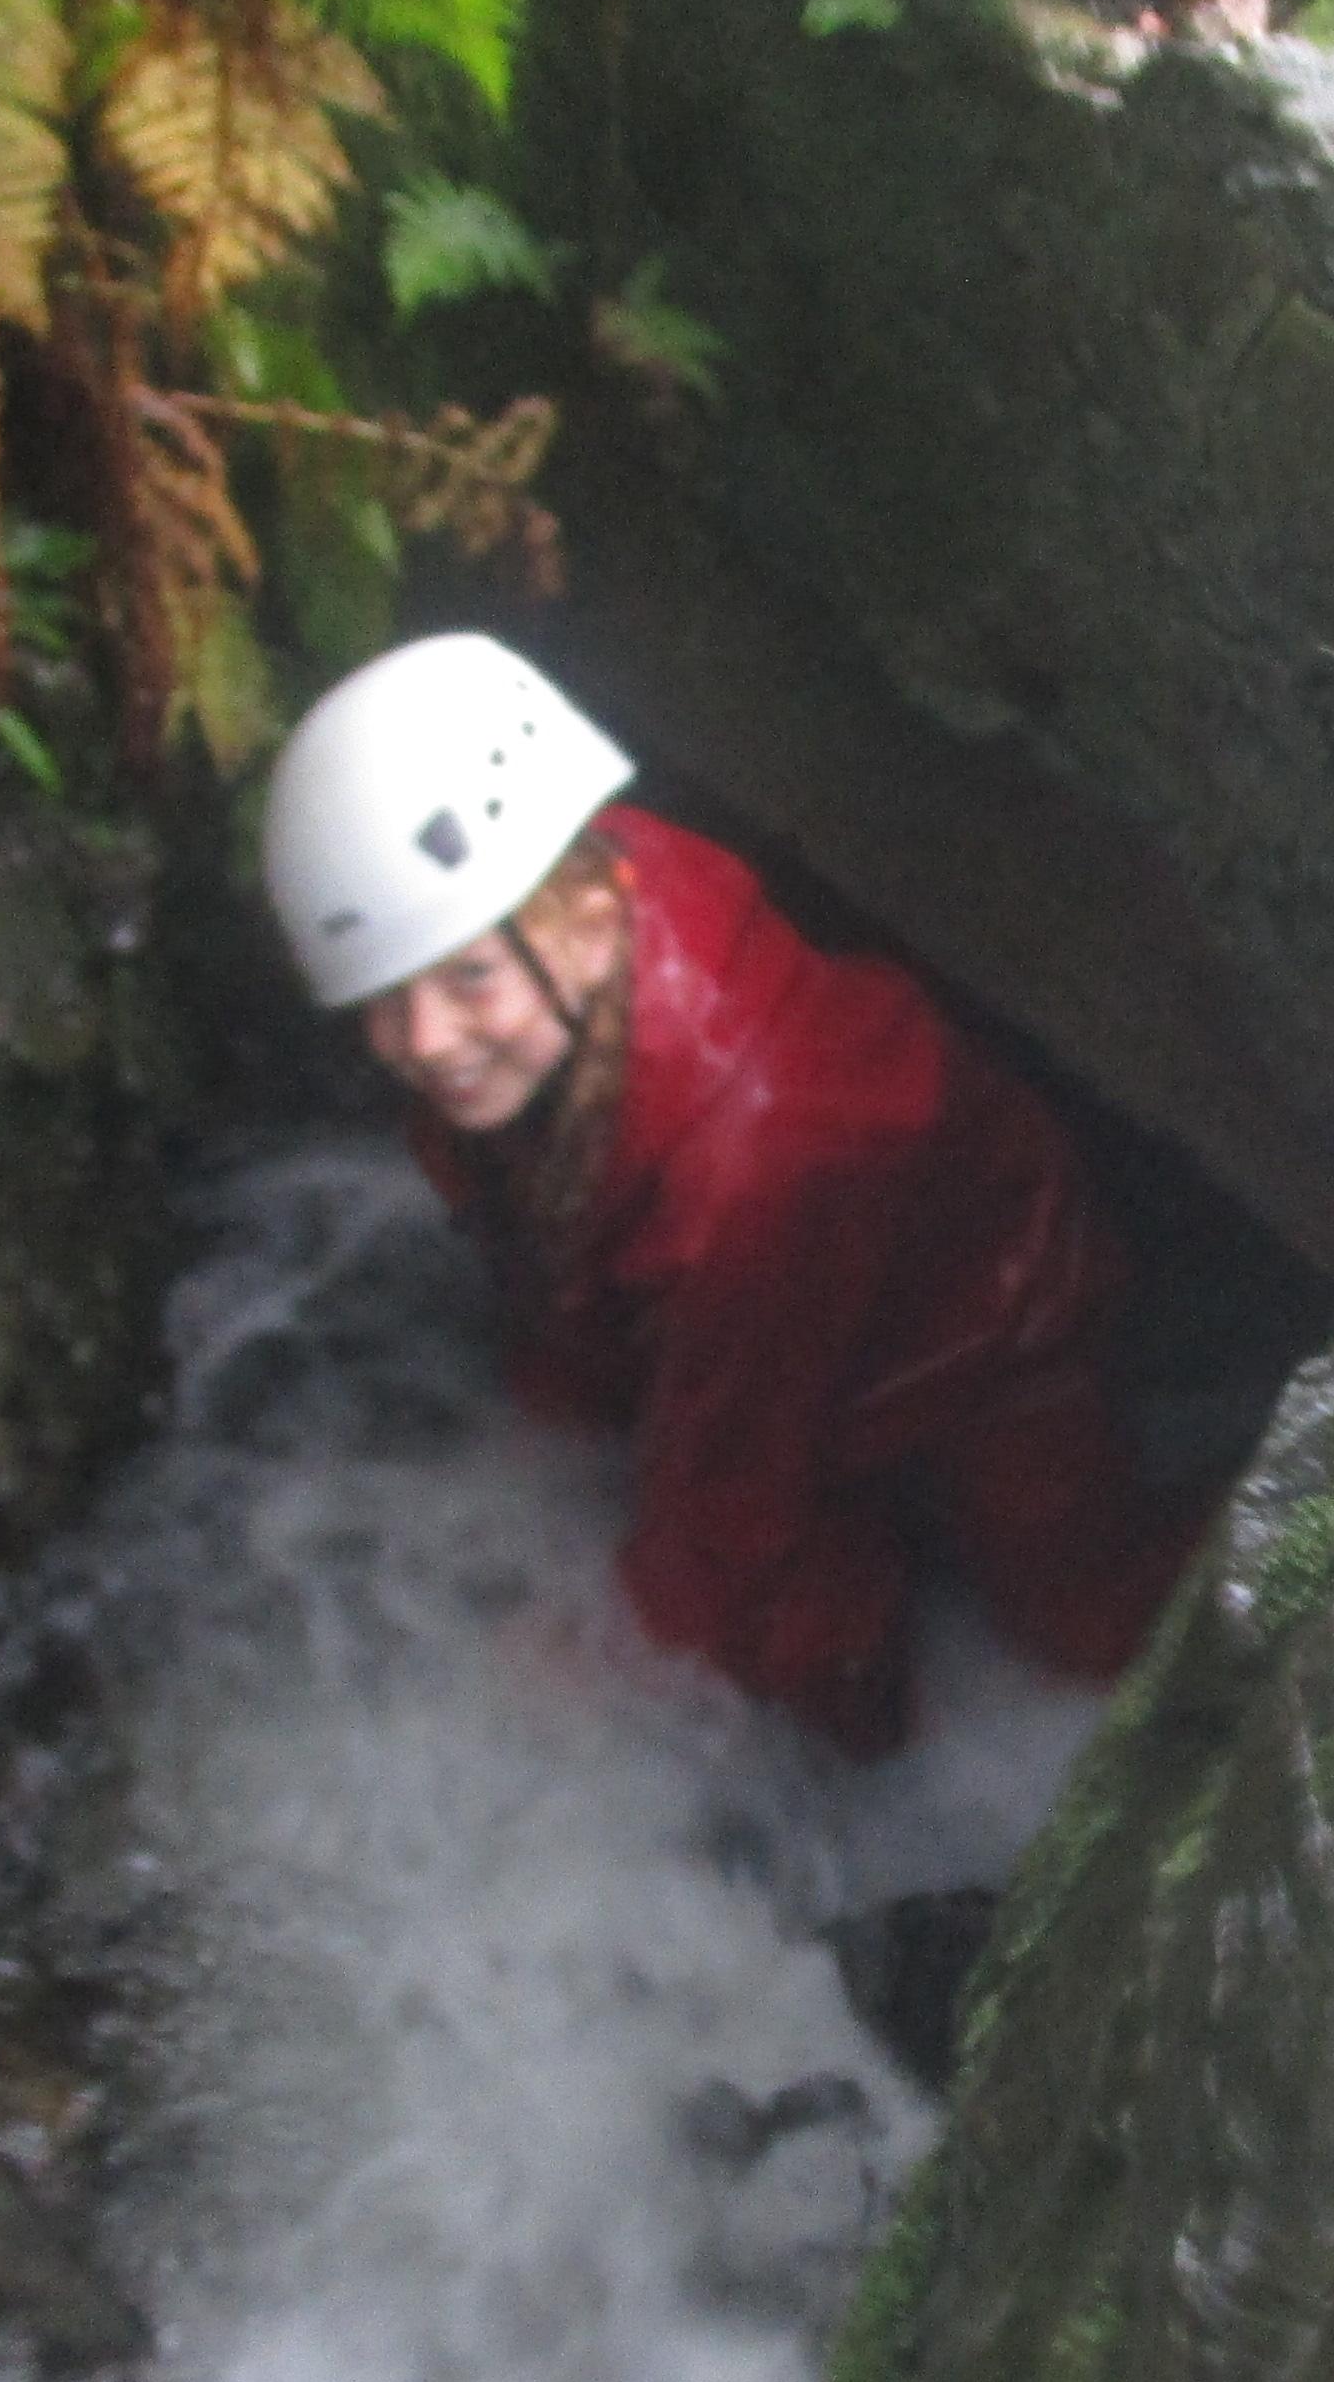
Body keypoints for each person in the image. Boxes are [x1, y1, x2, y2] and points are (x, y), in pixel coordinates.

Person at [261, 633, 1193, 1757]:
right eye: (384, 999)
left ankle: (876, 1758)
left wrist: (606, 1649)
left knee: (1068, 1630)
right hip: (762, 1297)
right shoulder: (558, 947)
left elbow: (730, 1502)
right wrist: (545, 1447)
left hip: (982, 1319)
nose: (423, 1042)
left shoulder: (751, 1162)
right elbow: (560, 1252)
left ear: (591, 922)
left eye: (468, 977)